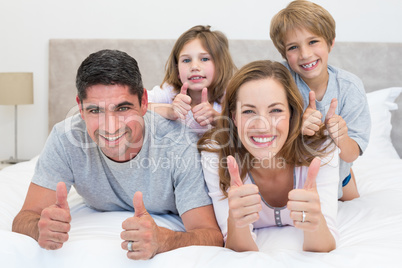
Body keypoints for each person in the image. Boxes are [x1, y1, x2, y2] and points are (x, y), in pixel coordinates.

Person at [12, 49, 223, 260]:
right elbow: (25, 218)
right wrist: (39, 229)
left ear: (143, 103)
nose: (110, 127)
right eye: (95, 110)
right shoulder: (65, 137)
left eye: (122, 109)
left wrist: (165, 239)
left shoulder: (178, 143)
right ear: (80, 107)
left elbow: (211, 235)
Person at [198, 60, 339, 252]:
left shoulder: (322, 148)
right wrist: (236, 221)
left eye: (275, 110)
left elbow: (325, 246)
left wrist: (314, 222)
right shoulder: (216, 154)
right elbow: (238, 250)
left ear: (292, 113)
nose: (262, 125)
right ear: (234, 117)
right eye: (248, 111)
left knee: (347, 188)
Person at [270, 0, 371, 201]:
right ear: (284, 54)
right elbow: (264, 142)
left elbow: (350, 155)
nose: (305, 54)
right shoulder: (277, 81)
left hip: (339, 177)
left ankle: (345, 178)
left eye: (313, 42)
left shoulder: (350, 88)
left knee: (353, 202)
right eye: (293, 47)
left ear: (330, 42)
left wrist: (341, 137)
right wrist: (296, 128)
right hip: (289, 176)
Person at [148, 25, 237, 134]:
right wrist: (168, 110)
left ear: (220, 66)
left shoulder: (230, 94)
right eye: (186, 60)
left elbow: (247, 126)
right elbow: (135, 105)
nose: (194, 66)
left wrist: (217, 119)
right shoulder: (170, 92)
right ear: (177, 71)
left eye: (204, 59)